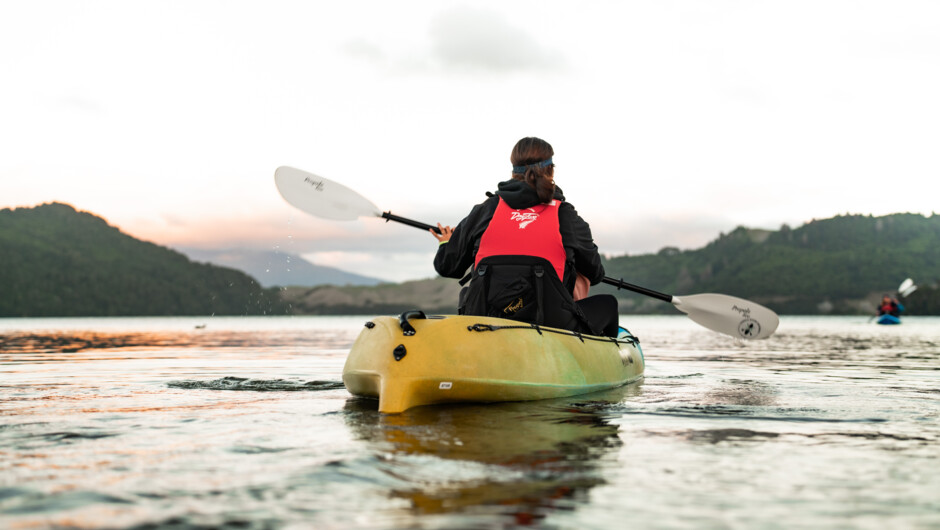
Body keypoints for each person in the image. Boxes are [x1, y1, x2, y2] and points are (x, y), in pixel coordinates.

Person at [430, 137, 620, 337]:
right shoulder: (565, 215)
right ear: (551, 171)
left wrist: (446, 243)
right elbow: (596, 273)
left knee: (466, 294)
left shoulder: (486, 210)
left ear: (512, 171)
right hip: (552, 325)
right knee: (608, 304)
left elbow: (447, 266)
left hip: (485, 318)